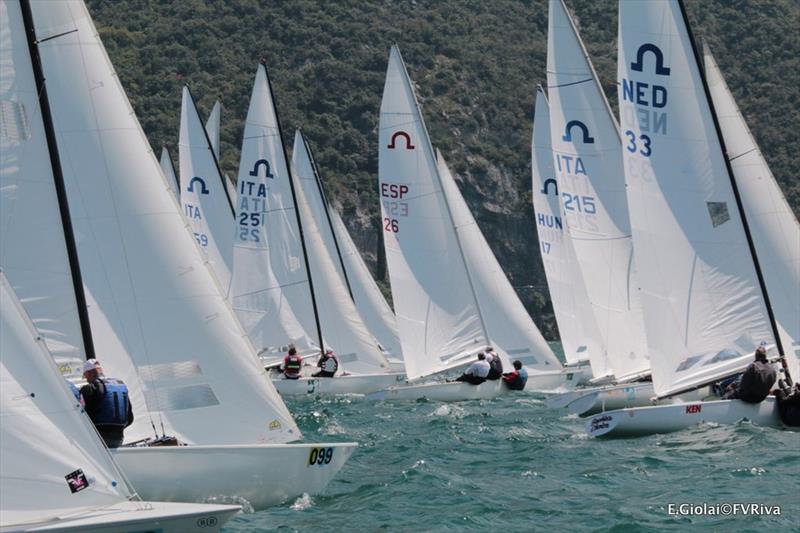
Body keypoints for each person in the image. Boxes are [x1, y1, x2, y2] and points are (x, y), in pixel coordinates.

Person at [80, 359, 133, 448]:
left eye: (85, 376)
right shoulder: (119, 385)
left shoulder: (88, 389)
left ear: (88, 373)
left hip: (99, 439)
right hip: (119, 438)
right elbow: (130, 418)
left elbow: (81, 415)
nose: (86, 379)